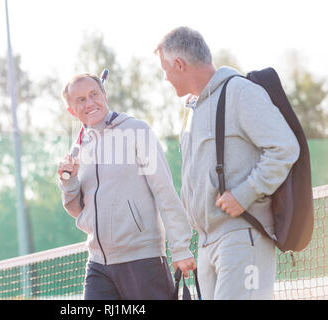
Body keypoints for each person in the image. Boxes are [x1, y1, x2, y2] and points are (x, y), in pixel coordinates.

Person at [155, 27, 300, 300]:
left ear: (179, 64)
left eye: (165, 69)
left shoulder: (240, 92)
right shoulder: (191, 112)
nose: (165, 77)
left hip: (243, 236)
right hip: (208, 243)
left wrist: (245, 193)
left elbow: (285, 148)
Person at [57, 73, 196, 300]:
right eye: (81, 100)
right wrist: (68, 182)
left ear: (105, 95)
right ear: (72, 110)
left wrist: (180, 247)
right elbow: (77, 211)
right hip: (98, 264)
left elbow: (164, 190)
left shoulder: (137, 131)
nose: (90, 103)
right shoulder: (79, 147)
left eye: (94, 94)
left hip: (142, 260)